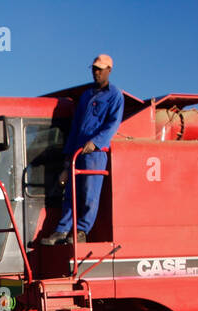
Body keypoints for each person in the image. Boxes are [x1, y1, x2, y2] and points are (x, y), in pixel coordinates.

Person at [42, 54, 124, 244]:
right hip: (78, 151)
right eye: (94, 68)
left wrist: (96, 142)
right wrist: (66, 161)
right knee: (70, 193)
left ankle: (81, 231)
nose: (96, 72)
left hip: (95, 153)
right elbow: (75, 127)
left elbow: (113, 124)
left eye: (100, 69)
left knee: (89, 194)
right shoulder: (86, 95)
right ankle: (62, 231)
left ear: (109, 70)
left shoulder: (115, 95)